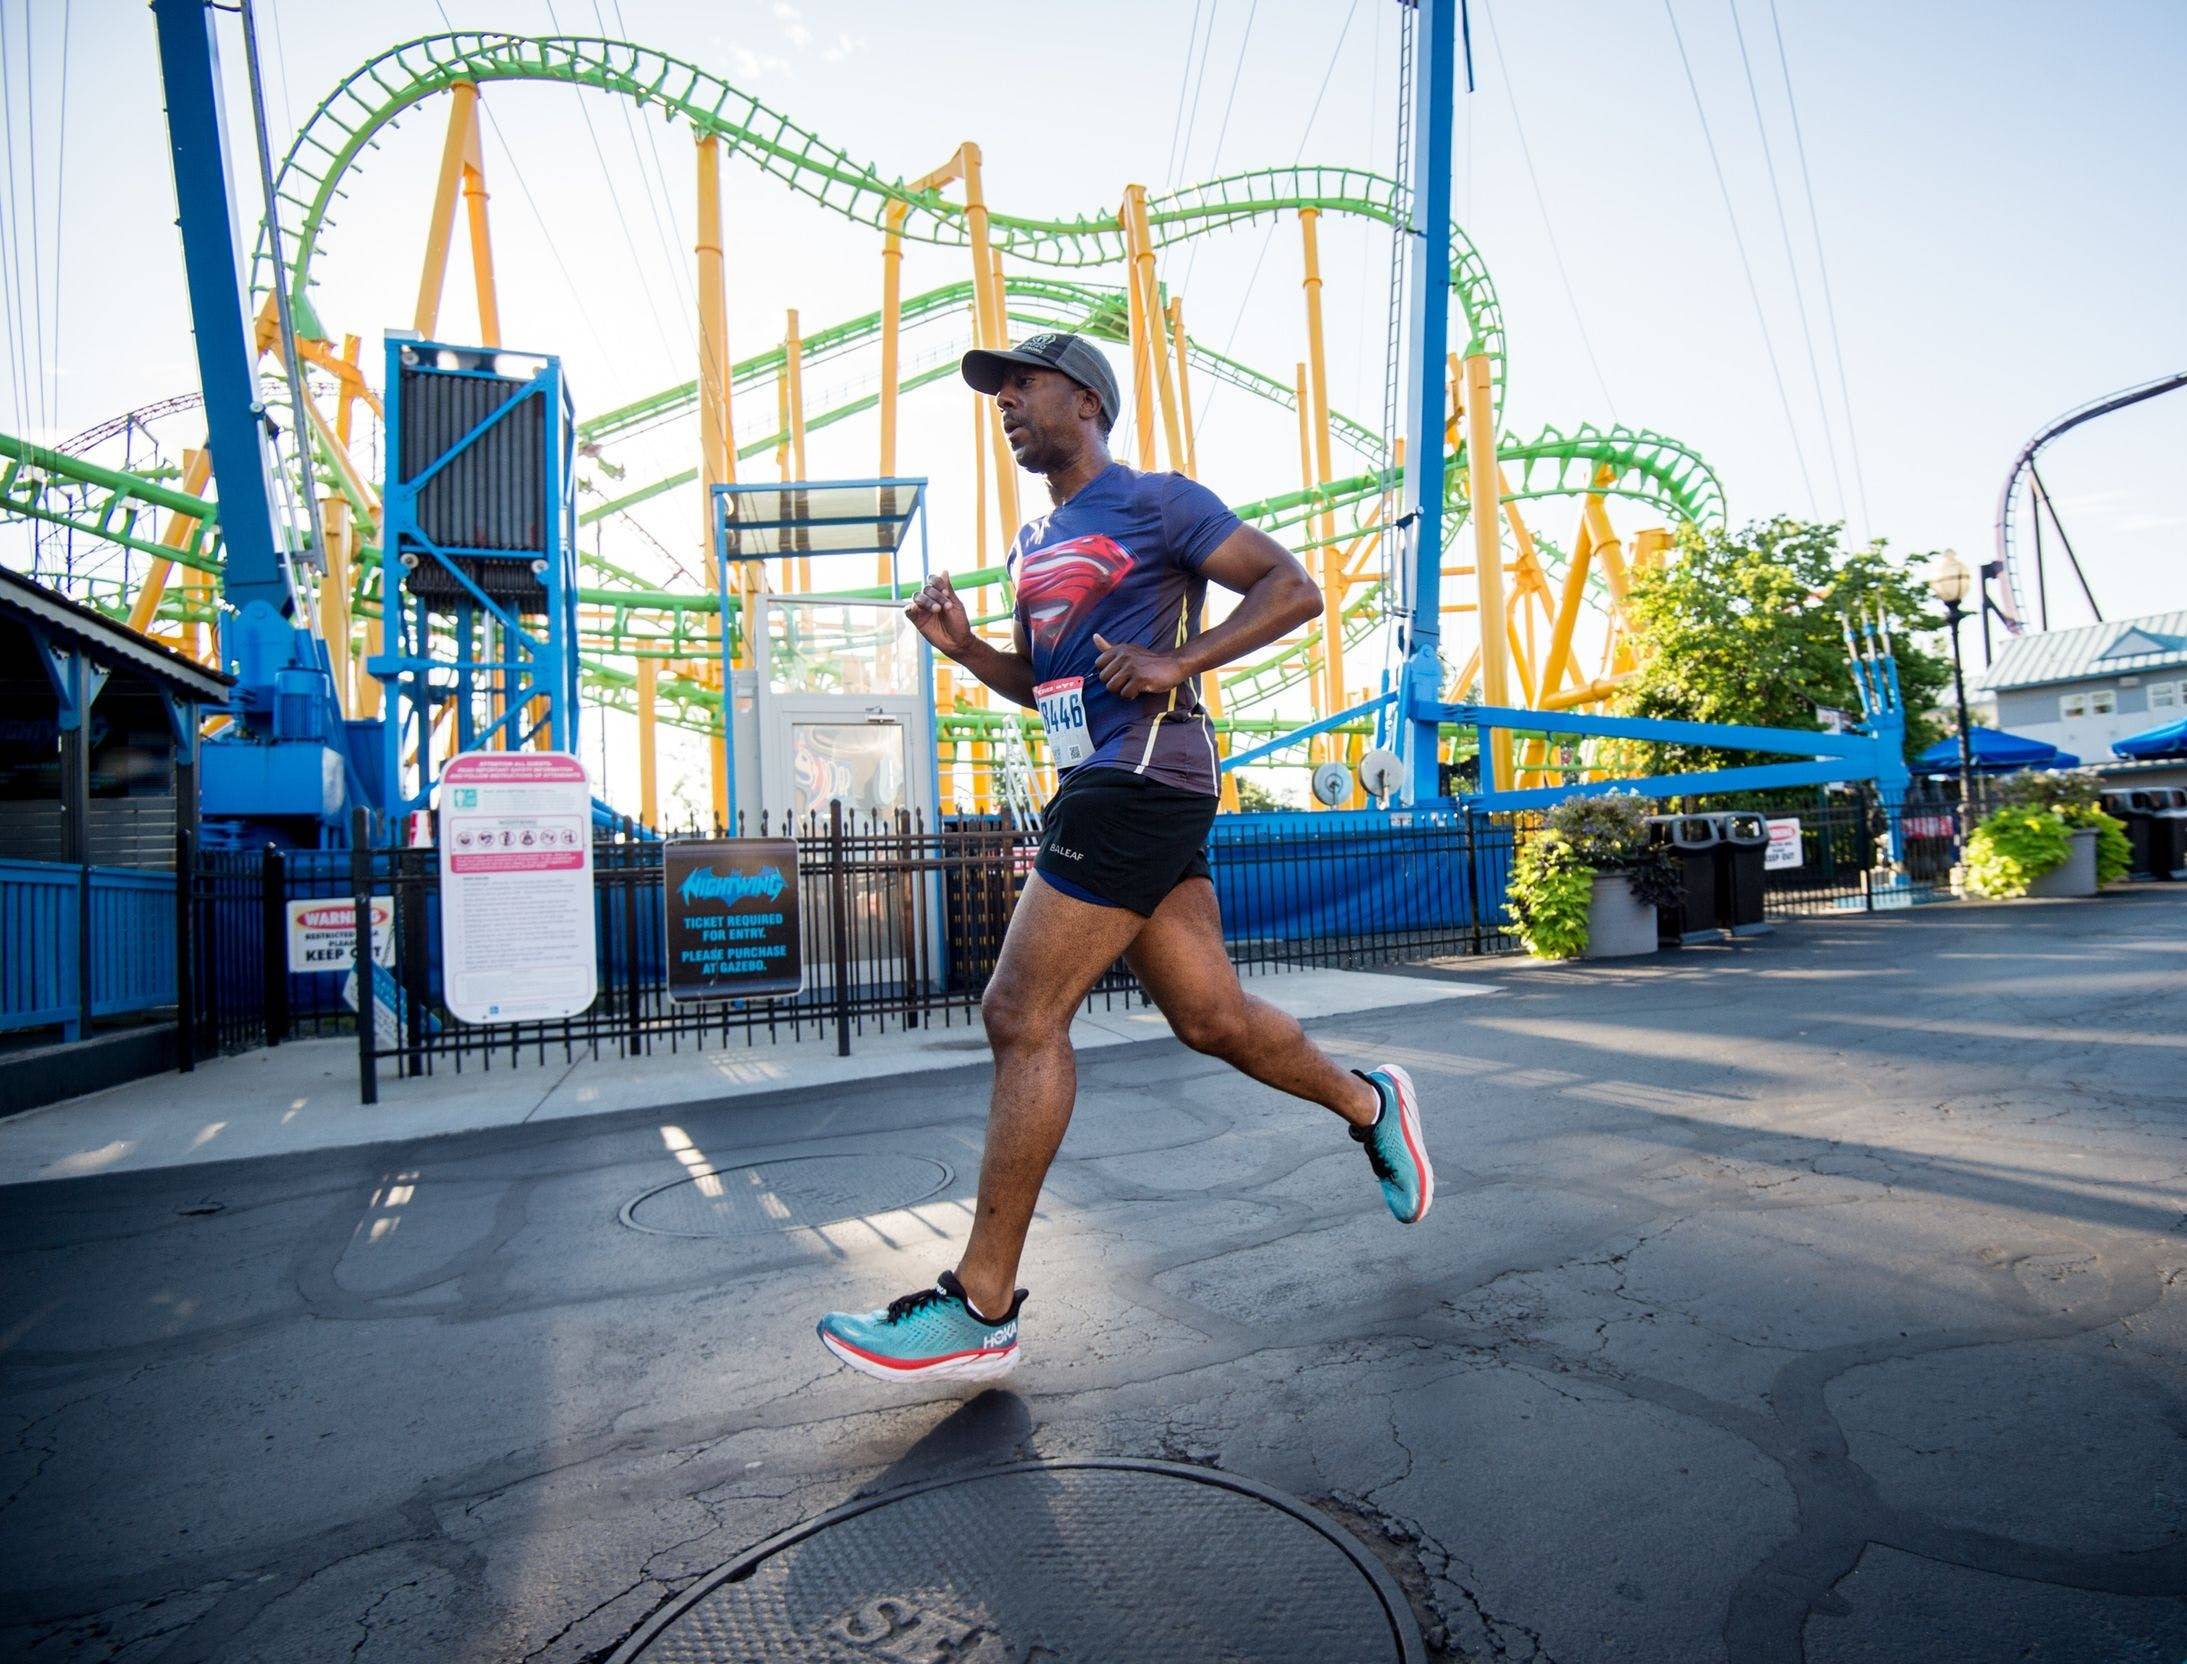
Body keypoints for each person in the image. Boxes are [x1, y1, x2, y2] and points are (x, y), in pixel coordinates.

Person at [816, 333, 1432, 1382]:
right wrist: (966, 648)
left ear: (1086, 398)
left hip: (1145, 772)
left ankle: (981, 1304)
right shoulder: (1030, 541)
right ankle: (1374, 1104)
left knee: (1020, 1013)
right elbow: (1050, 687)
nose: (1005, 404)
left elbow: (1292, 588)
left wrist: (1177, 658)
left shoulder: (1158, 501)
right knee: (1212, 1018)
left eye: (1022, 386)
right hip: (1099, 773)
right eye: (996, 395)